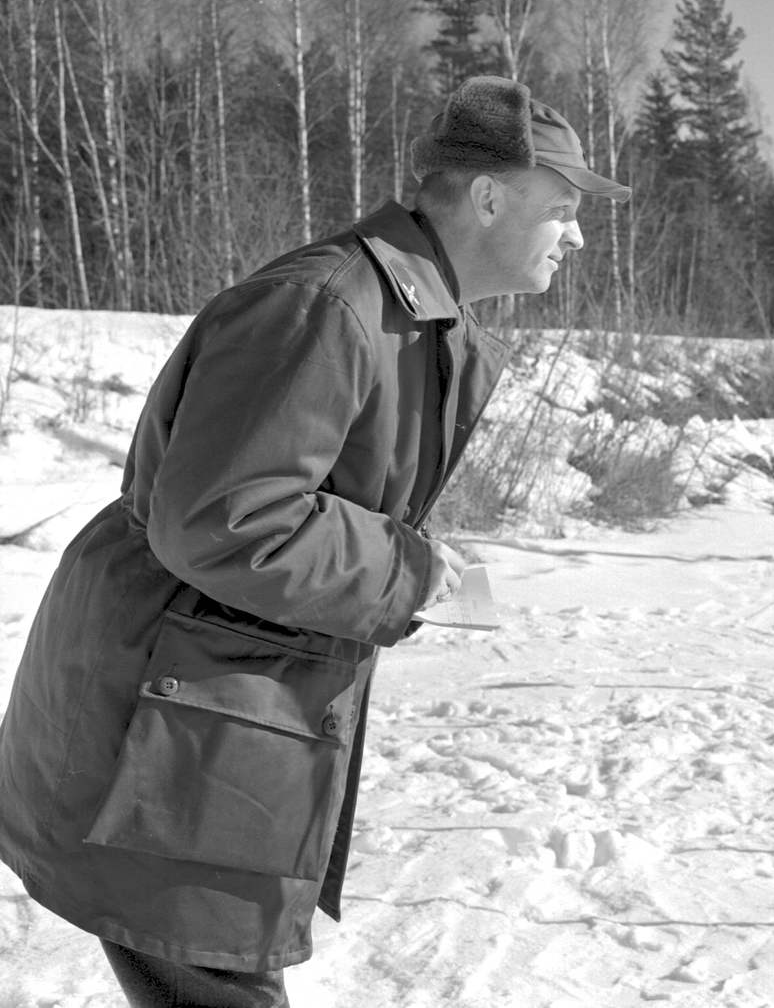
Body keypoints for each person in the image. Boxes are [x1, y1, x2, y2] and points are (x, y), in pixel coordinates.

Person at [0, 76, 631, 1007]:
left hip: (218, 709)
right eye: (564, 208)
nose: (576, 236)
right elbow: (226, 516)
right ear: (490, 197)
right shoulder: (329, 305)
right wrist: (410, 570)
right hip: (170, 713)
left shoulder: (408, 314)